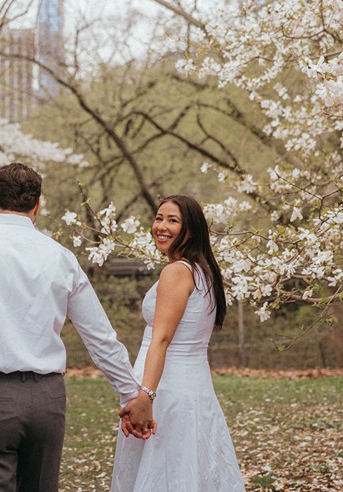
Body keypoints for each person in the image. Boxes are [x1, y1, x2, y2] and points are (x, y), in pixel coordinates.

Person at [0, 162, 152, 492]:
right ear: (37, 206)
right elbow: (100, 336)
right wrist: (131, 393)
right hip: (46, 401)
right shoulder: (61, 257)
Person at [112, 194, 245, 491]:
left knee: (167, 473)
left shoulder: (177, 272)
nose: (161, 226)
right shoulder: (203, 272)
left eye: (173, 220)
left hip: (167, 390)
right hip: (193, 388)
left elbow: (161, 339)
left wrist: (146, 397)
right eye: (159, 218)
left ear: (191, 230)